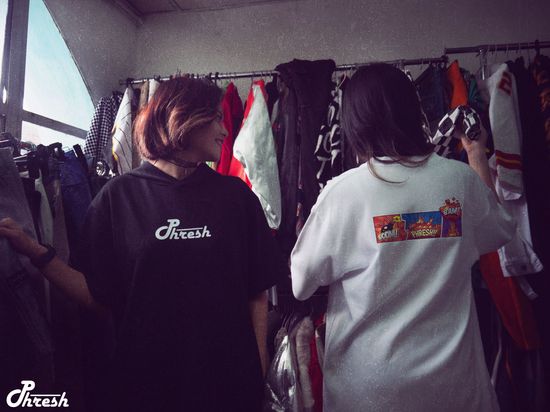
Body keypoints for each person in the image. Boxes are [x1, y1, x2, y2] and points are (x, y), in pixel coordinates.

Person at [0, 76, 284, 412]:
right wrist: (34, 251)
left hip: (228, 384)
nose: (225, 131)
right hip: (145, 385)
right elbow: (97, 296)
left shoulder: (237, 198)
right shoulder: (118, 197)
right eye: (217, 118)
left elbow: (256, 292)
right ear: (183, 117)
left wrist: (258, 366)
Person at [290, 64, 515, 412]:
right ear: (413, 110)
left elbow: (301, 284)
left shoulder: (343, 193)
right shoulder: (459, 179)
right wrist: (475, 154)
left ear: (355, 122)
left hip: (369, 391)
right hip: (454, 386)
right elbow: (500, 229)